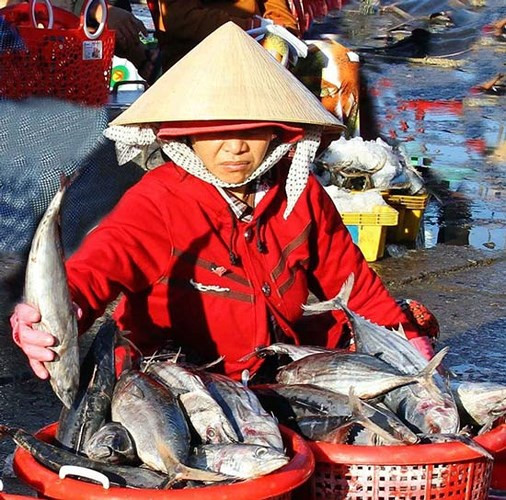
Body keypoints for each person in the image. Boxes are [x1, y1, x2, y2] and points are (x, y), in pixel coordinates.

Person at [10, 22, 435, 382]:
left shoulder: (301, 193)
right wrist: (54, 312)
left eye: (251, 131)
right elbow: (99, 265)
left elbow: (356, 285)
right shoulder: (158, 199)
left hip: (278, 373)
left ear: (279, 133)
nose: (233, 148)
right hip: (176, 381)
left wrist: (405, 341)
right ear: (185, 134)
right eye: (214, 132)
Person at [146, 0, 299, 71]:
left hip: (257, 50)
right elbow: (181, 19)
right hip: (196, 57)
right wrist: (249, 27)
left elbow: (280, 14)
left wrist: (283, 32)